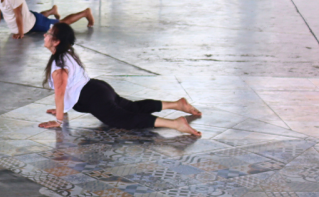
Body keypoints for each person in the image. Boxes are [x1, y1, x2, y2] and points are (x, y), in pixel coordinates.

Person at [38, 23, 202, 135]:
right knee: (132, 107)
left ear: (57, 41)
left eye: (49, 34)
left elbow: (60, 92)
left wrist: (59, 120)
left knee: (125, 119)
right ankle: (177, 104)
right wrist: (62, 108)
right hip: (98, 88)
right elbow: (69, 89)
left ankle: (175, 124)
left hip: (94, 97)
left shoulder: (59, 65)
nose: (45, 35)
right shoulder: (66, 54)